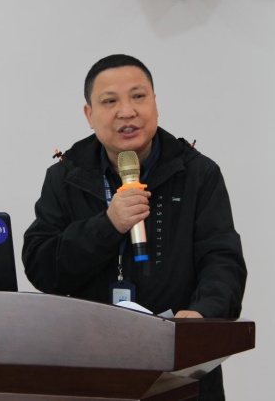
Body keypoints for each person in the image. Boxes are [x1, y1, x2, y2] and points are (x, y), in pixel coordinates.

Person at [22, 54, 247, 400]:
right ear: (89, 115)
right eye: (110, 101)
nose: (126, 111)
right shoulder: (65, 177)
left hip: (181, 368)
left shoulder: (198, 173)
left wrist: (203, 314)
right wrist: (108, 225)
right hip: (93, 368)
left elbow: (223, 260)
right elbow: (42, 266)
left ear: (155, 103)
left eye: (138, 96)